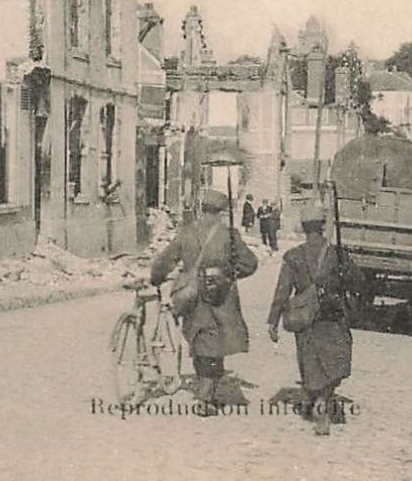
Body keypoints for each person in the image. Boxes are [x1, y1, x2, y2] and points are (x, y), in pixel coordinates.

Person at [149, 187, 259, 412]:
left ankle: (205, 393)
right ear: (220, 211)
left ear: (201, 209)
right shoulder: (229, 235)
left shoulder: (187, 233)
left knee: (199, 339)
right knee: (216, 341)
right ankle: (207, 394)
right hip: (222, 296)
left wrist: (156, 278)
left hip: (194, 296)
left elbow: (165, 261)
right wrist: (229, 274)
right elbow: (250, 264)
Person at [268, 205, 367, 436]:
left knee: (311, 363)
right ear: (322, 227)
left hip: (306, 318)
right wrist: (344, 275)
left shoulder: (293, 256)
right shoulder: (337, 254)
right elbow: (358, 281)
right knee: (336, 361)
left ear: (303, 228)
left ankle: (318, 401)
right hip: (332, 316)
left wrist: (273, 320)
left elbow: (282, 290)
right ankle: (323, 399)